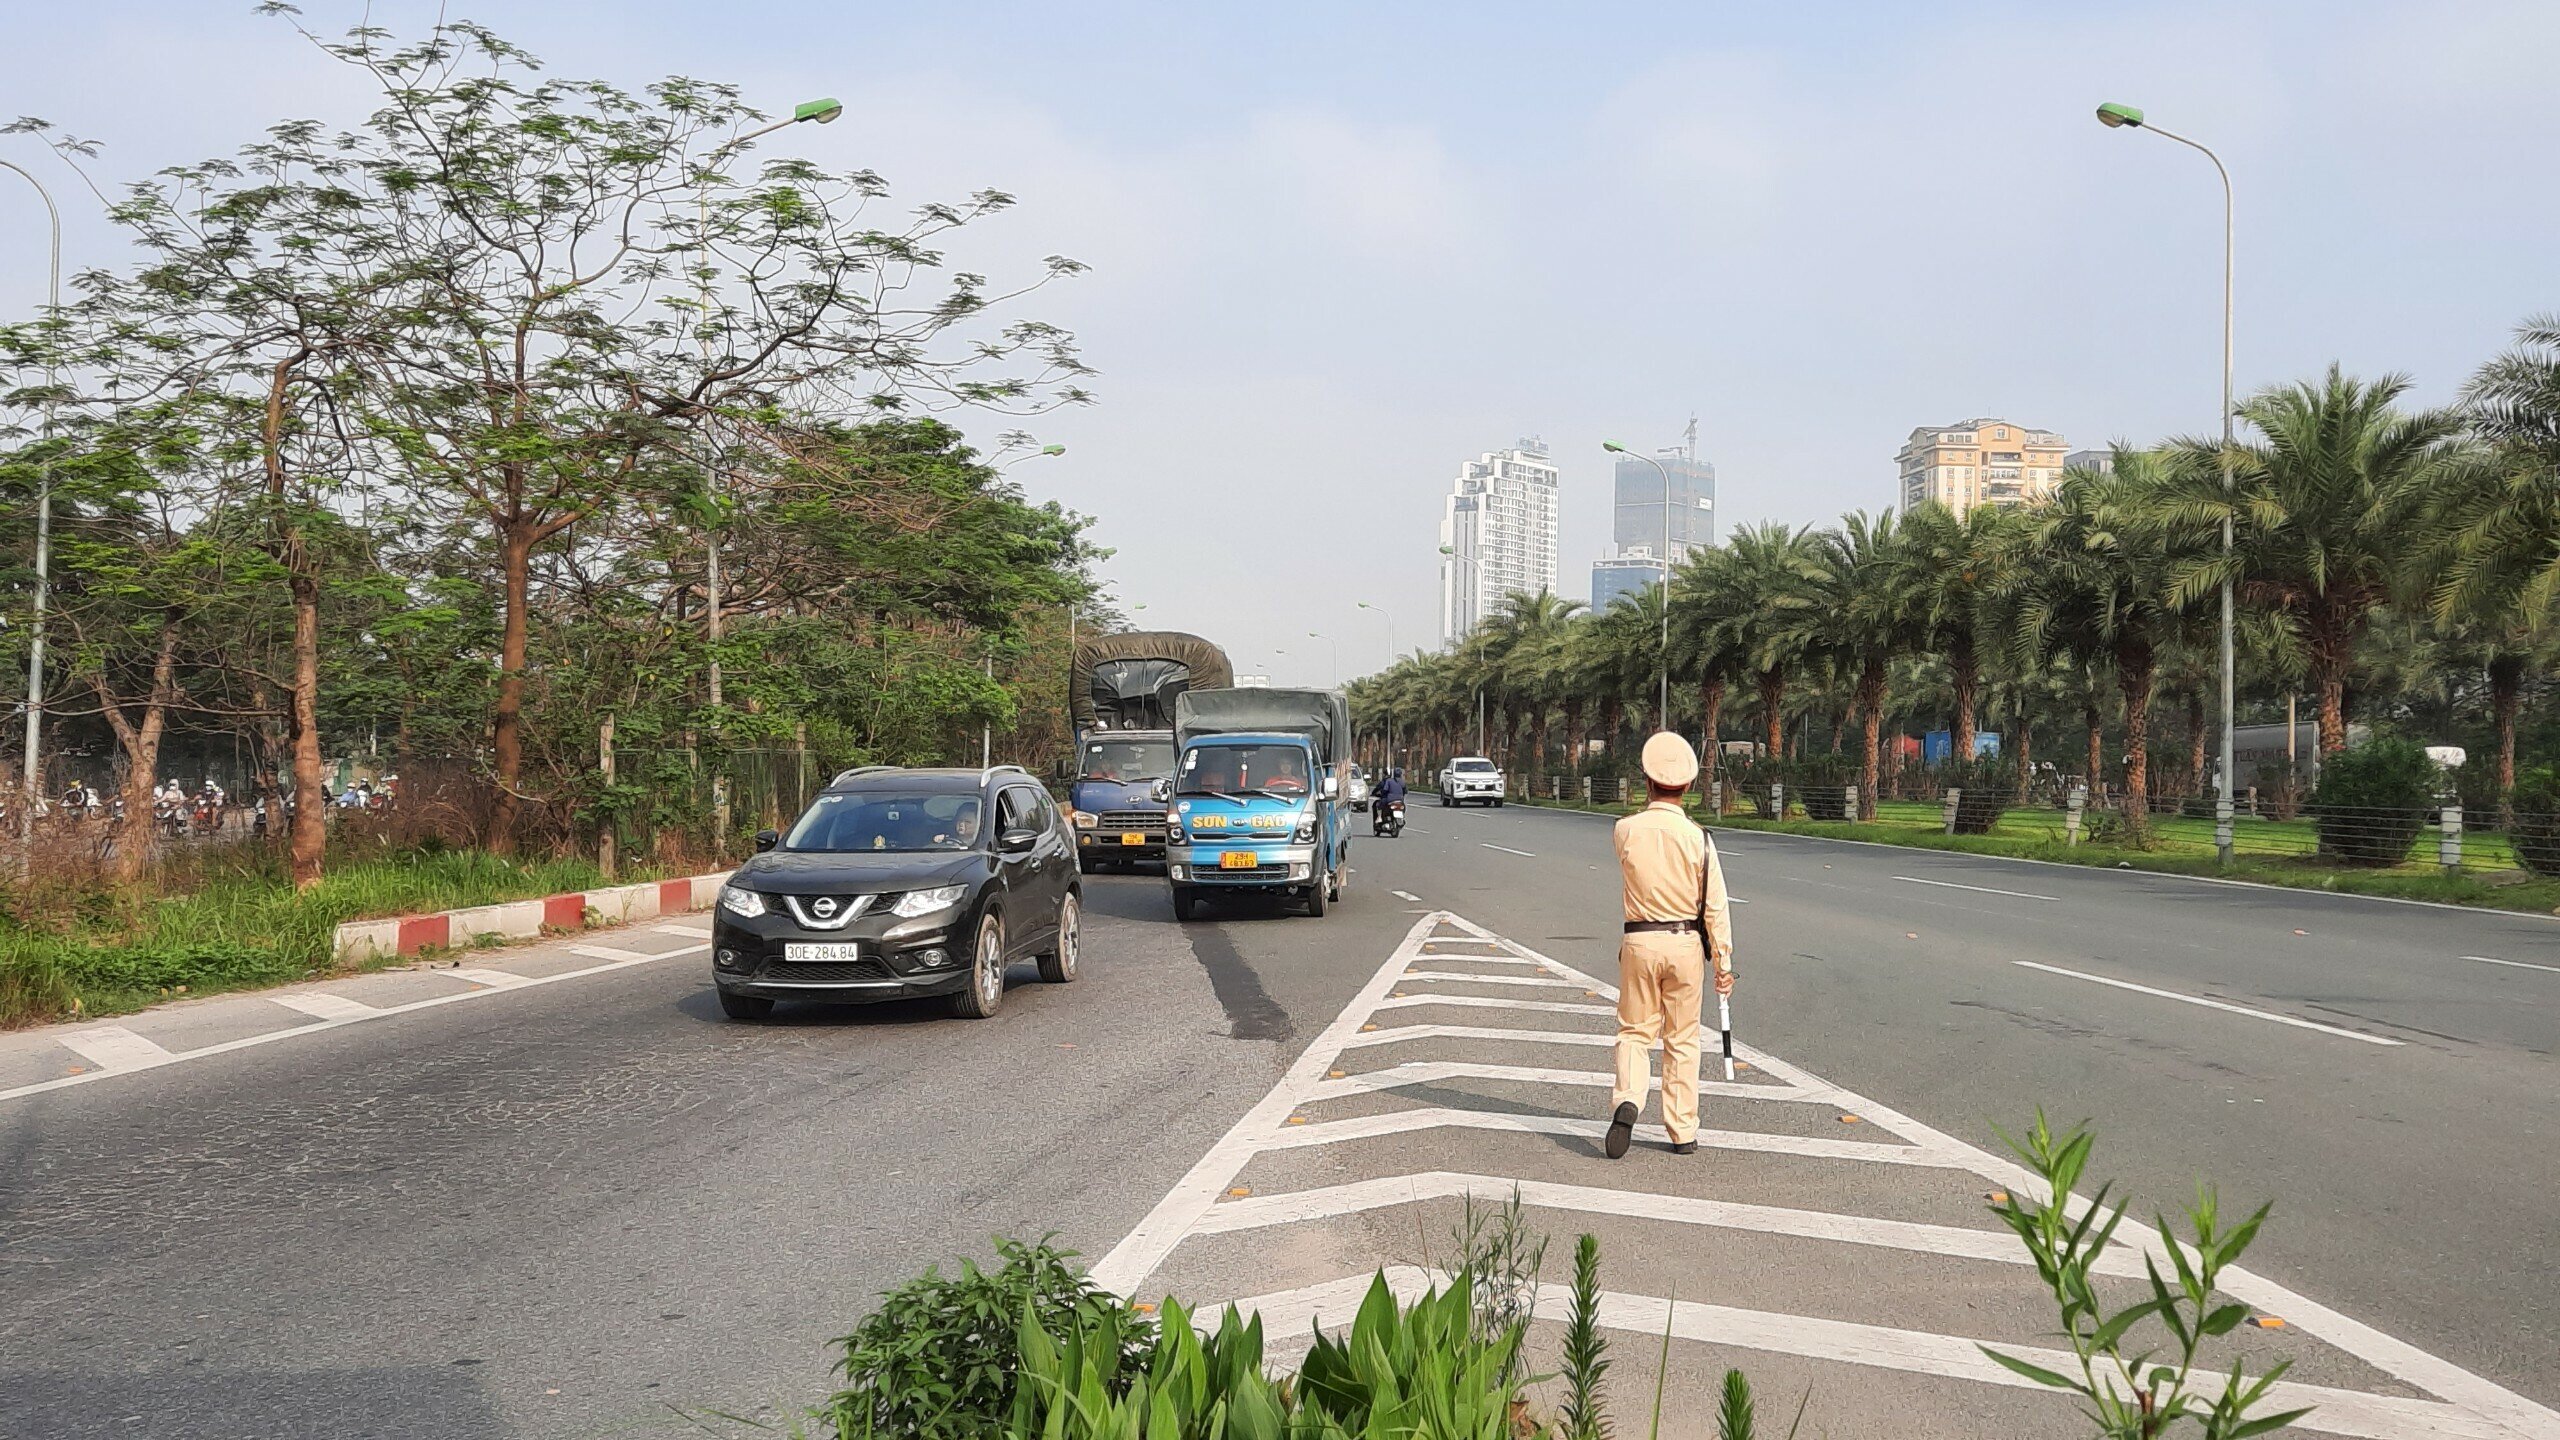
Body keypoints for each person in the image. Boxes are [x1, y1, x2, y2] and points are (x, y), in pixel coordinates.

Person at [1604, 732, 1735, 1160]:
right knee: (1682, 1038)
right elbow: (1715, 903)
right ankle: (1682, 1130)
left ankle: (1628, 1097)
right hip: (1685, 945)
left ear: (1647, 779)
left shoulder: (1624, 830)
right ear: (1689, 785)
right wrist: (1724, 961)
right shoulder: (1700, 838)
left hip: (1639, 939)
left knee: (1635, 1031)